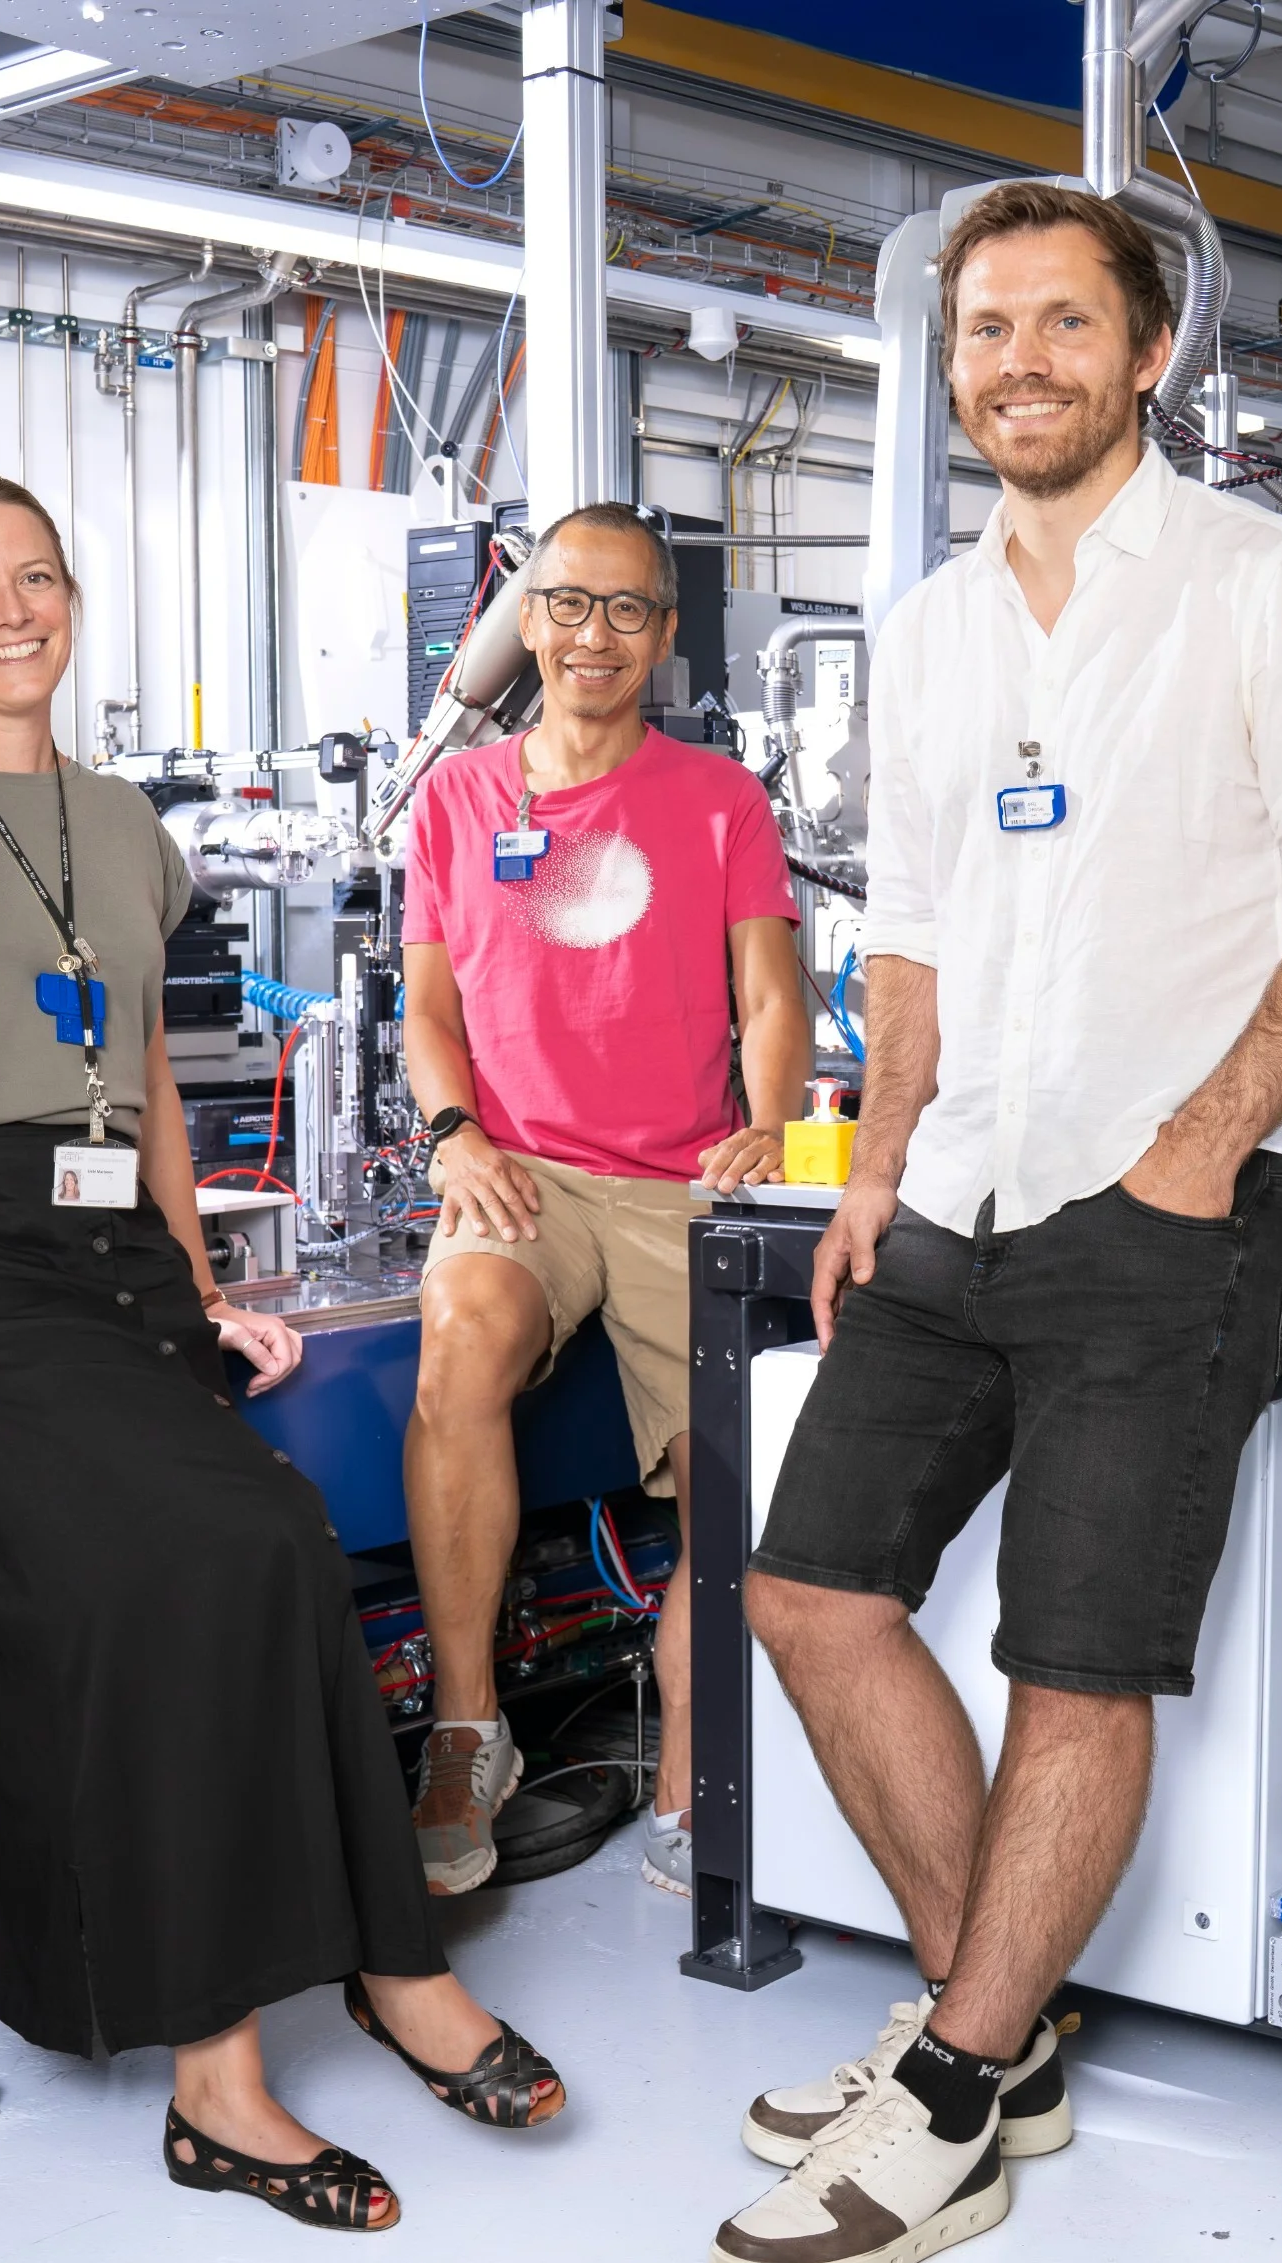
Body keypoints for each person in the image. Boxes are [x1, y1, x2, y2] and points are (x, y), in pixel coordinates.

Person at [707, 184, 1282, 2263]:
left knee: (1074, 1661)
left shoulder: (1263, 588)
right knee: (808, 1591)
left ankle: (949, 2091)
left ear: (1145, 355)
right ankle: (991, 2031)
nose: (1016, 360)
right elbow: (914, 934)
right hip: (955, 1192)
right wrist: (871, 1165)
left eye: (1060, 323)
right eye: (984, 329)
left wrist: (1200, 1144)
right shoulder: (928, 629)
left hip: (1162, 1207)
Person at [0, 472, 566, 2237]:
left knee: (280, 1543)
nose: (9, 611)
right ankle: (215, 2083)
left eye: (36, 577)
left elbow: (149, 1085)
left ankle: (391, 1967)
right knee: (194, 1551)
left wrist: (187, 1291)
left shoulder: (119, 827)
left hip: (94, 1255)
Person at [398, 501, 810, 1900]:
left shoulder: (718, 799)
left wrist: (768, 1123)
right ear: (526, 620)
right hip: (519, 1171)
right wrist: (452, 1133)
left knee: (728, 1488)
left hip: (679, 1180)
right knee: (458, 1344)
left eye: (628, 608)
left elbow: (770, 995)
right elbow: (428, 1011)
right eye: (569, 603)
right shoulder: (457, 800)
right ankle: (470, 1735)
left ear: (665, 634)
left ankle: (693, 1783)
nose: (595, 634)